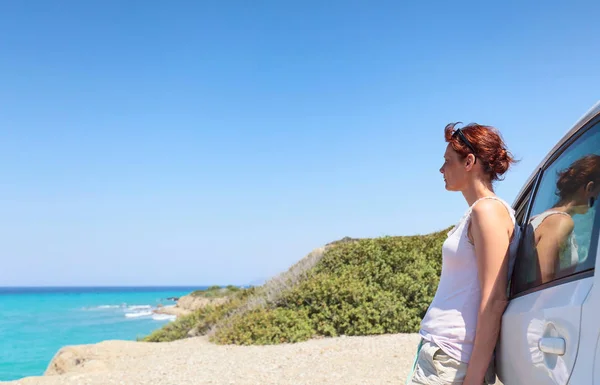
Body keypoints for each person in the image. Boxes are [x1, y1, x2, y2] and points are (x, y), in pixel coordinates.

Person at [406, 122, 520, 385]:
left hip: (451, 358)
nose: (441, 169)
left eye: (447, 161)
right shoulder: (478, 212)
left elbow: (494, 300)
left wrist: (474, 379)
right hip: (443, 353)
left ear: (469, 162)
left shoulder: (487, 211)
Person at [525, 154, 600, 285]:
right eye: (598, 193)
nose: (598, 198)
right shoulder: (560, 221)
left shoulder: (539, 219)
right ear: (590, 187)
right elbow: (543, 283)